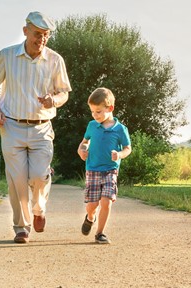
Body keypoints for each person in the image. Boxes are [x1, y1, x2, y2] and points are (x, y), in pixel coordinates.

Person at [0, 11, 72, 244]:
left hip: (42, 127)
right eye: (37, 34)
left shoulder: (55, 60)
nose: (41, 40)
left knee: (39, 176)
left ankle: (39, 209)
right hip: (12, 126)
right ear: (25, 31)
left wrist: (54, 100)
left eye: (46, 35)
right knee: (17, 180)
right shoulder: (7, 56)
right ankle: (21, 227)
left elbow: (64, 92)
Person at [77, 87, 132, 244]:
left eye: (99, 111)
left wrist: (120, 154)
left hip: (110, 170)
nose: (95, 115)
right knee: (92, 205)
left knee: (106, 202)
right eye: (93, 112)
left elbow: (128, 148)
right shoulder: (92, 125)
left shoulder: (121, 129)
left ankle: (100, 233)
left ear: (110, 108)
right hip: (93, 169)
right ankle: (90, 217)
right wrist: (81, 150)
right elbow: (84, 142)